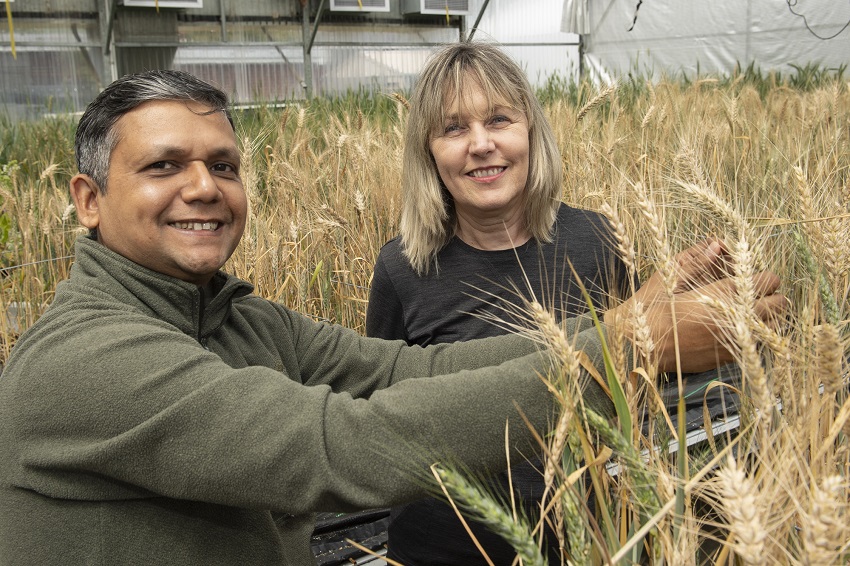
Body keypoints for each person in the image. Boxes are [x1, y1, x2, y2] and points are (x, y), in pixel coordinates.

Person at [0, 69, 785, 566]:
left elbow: (413, 369)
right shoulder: (86, 358)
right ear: (89, 199)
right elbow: (341, 446)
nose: (204, 187)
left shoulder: (241, 322)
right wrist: (627, 349)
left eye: (224, 165)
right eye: (164, 166)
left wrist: (627, 323)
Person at [366, 41, 632, 564]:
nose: (481, 144)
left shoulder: (599, 242)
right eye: (453, 128)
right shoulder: (402, 269)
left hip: (586, 541)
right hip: (443, 549)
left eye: (500, 119)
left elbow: (637, 377)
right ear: (429, 153)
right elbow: (384, 410)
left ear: (531, 131)